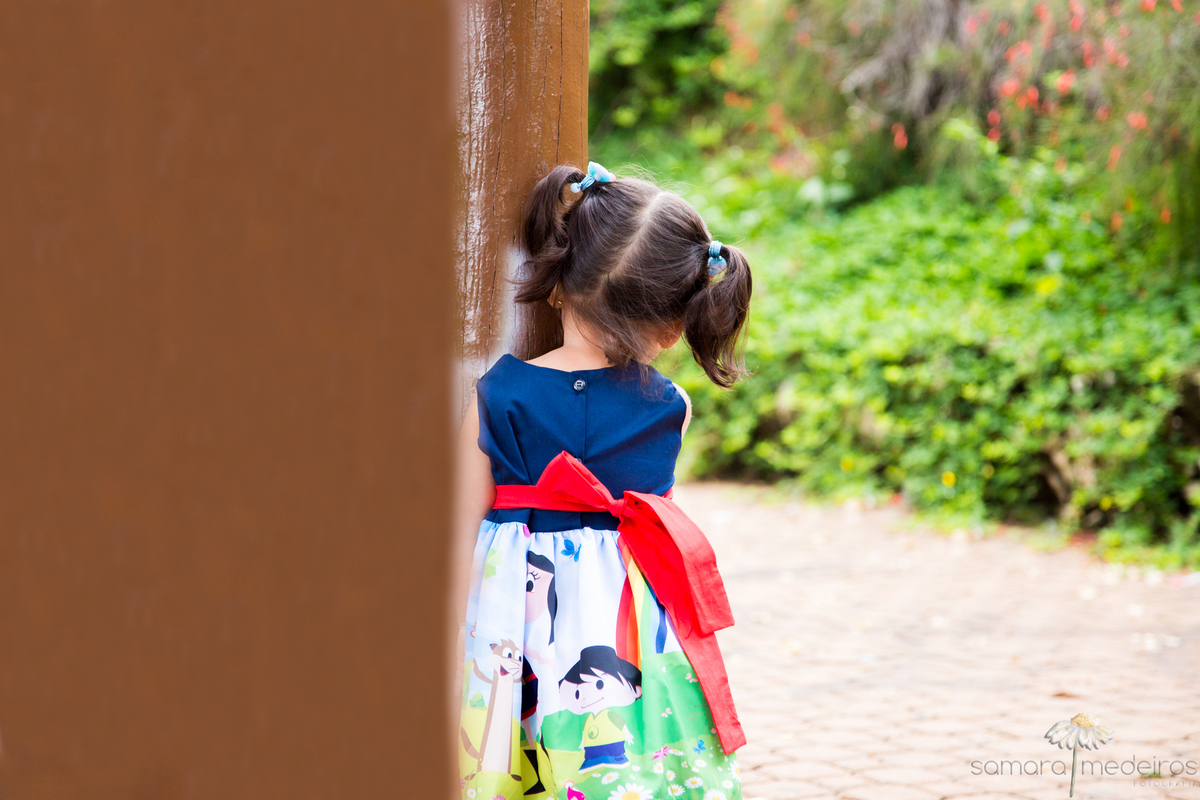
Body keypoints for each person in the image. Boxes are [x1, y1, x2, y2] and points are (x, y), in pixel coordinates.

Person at [452, 161, 752, 800]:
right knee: (624, 758)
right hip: (629, 626)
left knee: (514, 759)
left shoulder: (496, 395)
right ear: (675, 324)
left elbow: (454, 531)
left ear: (557, 283)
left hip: (516, 623)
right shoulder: (671, 406)